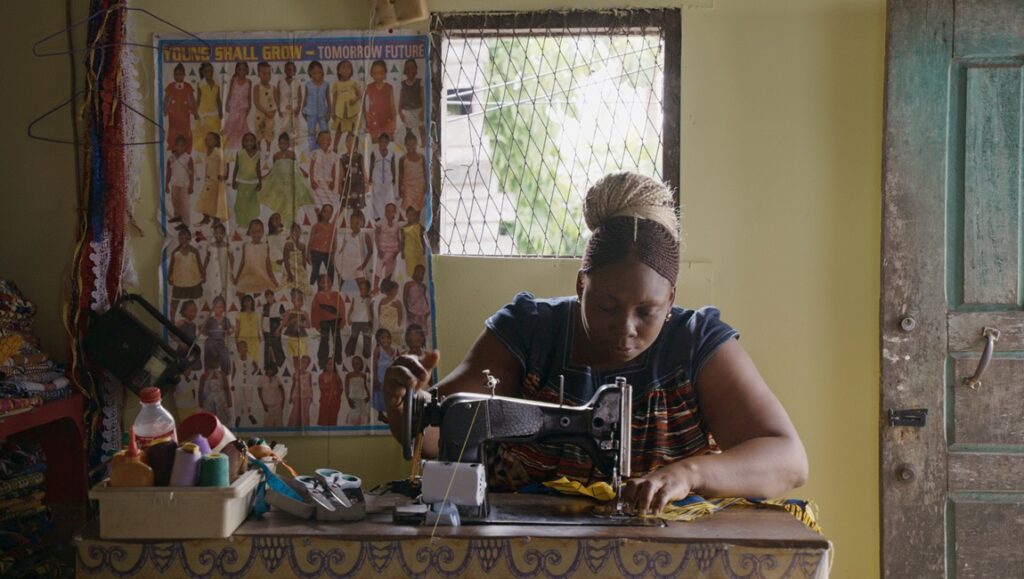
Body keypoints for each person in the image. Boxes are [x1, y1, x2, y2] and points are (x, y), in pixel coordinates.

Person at [383, 172, 808, 515]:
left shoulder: (696, 344)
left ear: (672, 300)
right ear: (580, 285)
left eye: (647, 311)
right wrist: (406, 410)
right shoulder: (528, 331)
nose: (626, 327)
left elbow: (788, 460)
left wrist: (688, 474)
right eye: (607, 306)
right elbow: (443, 434)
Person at [259, 132, 314, 227]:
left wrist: (303, 172)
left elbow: (295, 167)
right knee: (280, 202)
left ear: (288, 144)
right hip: (279, 184)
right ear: (278, 144)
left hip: (290, 184)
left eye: (284, 143)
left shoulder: (291, 154)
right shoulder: (276, 155)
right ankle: (282, 224)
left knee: (290, 203)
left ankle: (290, 224)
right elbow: (274, 169)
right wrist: (265, 176)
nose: (282, 145)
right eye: (280, 143)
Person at [167, 225, 204, 321]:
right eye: (181, 238)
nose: (184, 240)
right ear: (179, 239)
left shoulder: (194, 251)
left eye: (186, 238)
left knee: (196, 301)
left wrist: (203, 275)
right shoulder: (175, 252)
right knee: (175, 301)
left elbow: (200, 264)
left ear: (190, 239)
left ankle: (196, 322)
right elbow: (171, 266)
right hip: (179, 282)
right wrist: (169, 277)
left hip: (193, 282)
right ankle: (172, 321)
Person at [234, 218, 279, 296]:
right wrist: (237, 278)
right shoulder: (246, 245)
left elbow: (268, 266)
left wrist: (274, 280)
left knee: (260, 294)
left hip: (261, 277)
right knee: (239, 291)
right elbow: (242, 263)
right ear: (249, 232)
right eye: (254, 232)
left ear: (263, 232)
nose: (256, 234)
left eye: (259, 232)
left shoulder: (265, 246)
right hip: (247, 277)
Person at [311, 273, 344, 370]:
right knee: (324, 340)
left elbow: (341, 308)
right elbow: (314, 311)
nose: (326, 284)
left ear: (331, 283)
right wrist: (316, 324)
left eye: (328, 281)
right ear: (319, 284)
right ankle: (322, 360)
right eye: (323, 282)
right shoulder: (317, 296)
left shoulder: (336, 295)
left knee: (337, 339)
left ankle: (338, 357)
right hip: (323, 321)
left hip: (335, 320)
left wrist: (342, 321)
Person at [163, 63, 197, 152]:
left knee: (186, 131)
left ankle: (187, 148)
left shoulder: (187, 86)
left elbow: (191, 100)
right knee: (173, 130)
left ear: (184, 75)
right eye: (176, 74)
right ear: (174, 75)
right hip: (173, 114)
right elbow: (166, 100)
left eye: (181, 74)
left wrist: (195, 112)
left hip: (184, 114)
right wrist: (165, 110)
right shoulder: (170, 86)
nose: (178, 76)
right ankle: (172, 145)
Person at [195, 132, 227, 225]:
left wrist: (222, 173)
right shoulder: (207, 151)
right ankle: (206, 218)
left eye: (210, 139)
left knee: (215, 201)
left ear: (216, 141)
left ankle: (216, 220)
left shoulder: (218, 151)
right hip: (209, 180)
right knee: (205, 199)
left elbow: (224, 163)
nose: (207, 141)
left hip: (217, 180)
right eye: (206, 139)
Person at [232, 133, 263, 227]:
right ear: (243, 143)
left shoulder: (258, 154)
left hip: (253, 183)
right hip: (242, 183)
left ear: (255, 142)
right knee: (241, 204)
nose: (249, 142)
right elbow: (236, 167)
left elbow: (258, 169)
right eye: (246, 141)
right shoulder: (240, 153)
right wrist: (233, 181)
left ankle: (251, 222)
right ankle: (242, 223)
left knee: (252, 204)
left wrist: (260, 182)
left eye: (251, 140)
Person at [330, 59, 361, 152]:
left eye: (348, 68)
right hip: (340, 112)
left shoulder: (353, 83)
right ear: (338, 70)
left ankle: (351, 147)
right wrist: (332, 112)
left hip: (352, 112)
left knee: (351, 131)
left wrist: (355, 99)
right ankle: (335, 148)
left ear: (351, 71)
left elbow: (360, 95)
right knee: (338, 131)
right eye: (343, 68)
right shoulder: (336, 84)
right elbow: (334, 99)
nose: (346, 70)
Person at [363, 60, 395, 144]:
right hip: (373, 121)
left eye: (381, 74)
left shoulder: (389, 87)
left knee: (388, 142)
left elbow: (392, 105)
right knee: (375, 143)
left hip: (387, 121)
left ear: (385, 74)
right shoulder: (369, 87)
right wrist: (366, 116)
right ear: (371, 74)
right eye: (375, 73)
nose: (378, 76)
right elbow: (365, 104)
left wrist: (394, 121)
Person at [223, 61, 252, 151]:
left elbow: (249, 96)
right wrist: (226, 104)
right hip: (234, 107)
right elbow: (229, 93)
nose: (242, 71)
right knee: (231, 126)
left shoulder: (249, 82)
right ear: (236, 70)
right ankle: (229, 147)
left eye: (244, 69)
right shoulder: (233, 80)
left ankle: (240, 147)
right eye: (239, 69)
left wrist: (249, 107)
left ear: (247, 70)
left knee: (241, 127)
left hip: (243, 108)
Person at [165, 135, 194, 225]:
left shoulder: (188, 158)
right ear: (174, 146)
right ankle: (177, 217)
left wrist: (191, 186)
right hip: (174, 184)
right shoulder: (171, 158)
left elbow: (191, 173)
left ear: (186, 146)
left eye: (182, 145)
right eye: (178, 145)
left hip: (184, 185)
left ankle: (186, 223)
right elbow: (169, 172)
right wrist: (166, 184)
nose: (180, 147)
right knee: (175, 201)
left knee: (184, 203)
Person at [193, 62, 221, 153]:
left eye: (211, 71)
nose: (209, 73)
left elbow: (218, 99)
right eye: (206, 72)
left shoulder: (216, 84)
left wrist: (221, 111)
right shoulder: (200, 84)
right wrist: (195, 112)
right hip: (203, 113)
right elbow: (198, 99)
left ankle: (214, 153)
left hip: (214, 113)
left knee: (215, 134)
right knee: (204, 135)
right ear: (203, 73)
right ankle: (204, 154)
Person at [301, 61, 329, 151]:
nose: (317, 75)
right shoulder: (308, 85)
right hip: (310, 112)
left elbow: (328, 100)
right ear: (310, 74)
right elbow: (305, 98)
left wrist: (330, 112)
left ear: (322, 73)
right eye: (314, 73)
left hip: (322, 112)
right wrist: (303, 110)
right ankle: (313, 148)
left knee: (324, 129)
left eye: (319, 72)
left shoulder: (325, 85)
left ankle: (324, 147)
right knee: (311, 131)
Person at [368, 133, 397, 222]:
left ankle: (388, 216)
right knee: (377, 197)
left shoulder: (391, 153)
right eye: (381, 142)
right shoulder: (374, 153)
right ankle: (377, 217)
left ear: (388, 143)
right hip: (377, 178)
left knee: (388, 197)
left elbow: (393, 166)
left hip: (388, 179)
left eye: (385, 142)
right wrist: (369, 178)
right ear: (378, 142)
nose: (383, 144)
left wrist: (394, 178)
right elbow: (371, 166)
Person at [373, 202, 401, 291]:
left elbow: (399, 239)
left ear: (395, 212)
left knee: (389, 271)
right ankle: (375, 289)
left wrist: (397, 252)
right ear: (385, 212)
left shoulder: (397, 224)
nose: (389, 213)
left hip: (393, 251)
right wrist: (379, 250)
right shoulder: (380, 223)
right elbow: (376, 236)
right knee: (378, 271)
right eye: (387, 211)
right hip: (382, 250)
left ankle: (385, 289)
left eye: (391, 211)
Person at [232, 340, 259, 428]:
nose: (243, 348)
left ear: (247, 348)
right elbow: (234, 371)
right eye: (241, 347)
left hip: (248, 382)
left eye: (245, 346)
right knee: (238, 400)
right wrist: (232, 383)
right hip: (238, 382)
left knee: (249, 400)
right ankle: (238, 417)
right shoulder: (235, 360)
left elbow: (256, 368)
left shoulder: (251, 358)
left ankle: (250, 414)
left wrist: (251, 374)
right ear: (238, 349)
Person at [398, 131, 426, 213]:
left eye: (413, 144)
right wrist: (399, 190)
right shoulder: (403, 159)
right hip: (408, 187)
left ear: (416, 144)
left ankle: (417, 225)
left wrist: (426, 186)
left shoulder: (422, 157)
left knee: (418, 208)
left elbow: (425, 173)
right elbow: (400, 175)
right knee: (409, 209)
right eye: (408, 145)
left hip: (420, 186)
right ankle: (410, 225)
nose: (411, 147)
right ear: (405, 145)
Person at [252, 62, 278, 153]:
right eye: (264, 74)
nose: (267, 76)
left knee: (269, 130)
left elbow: (276, 102)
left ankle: (268, 148)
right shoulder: (257, 87)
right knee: (258, 130)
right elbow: (256, 102)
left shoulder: (273, 88)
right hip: (260, 113)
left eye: (269, 74)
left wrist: (273, 112)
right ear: (259, 74)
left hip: (270, 114)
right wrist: (265, 112)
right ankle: (258, 146)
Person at [308, 130, 338, 209]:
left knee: (331, 202)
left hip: (328, 182)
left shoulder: (333, 155)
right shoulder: (315, 153)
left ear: (330, 141)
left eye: (328, 139)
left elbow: (333, 170)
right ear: (318, 141)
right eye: (323, 139)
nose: (325, 141)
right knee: (318, 203)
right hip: (318, 182)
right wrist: (312, 181)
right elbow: (311, 168)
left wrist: (333, 182)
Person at [398, 59, 425, 142]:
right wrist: (400, 112)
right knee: (407, 129)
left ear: (416, 70)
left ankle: (423, 143)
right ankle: (409, 143)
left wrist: (423, 110)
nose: (410, 71)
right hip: (406, 111)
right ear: (405, 71)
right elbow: (400, 100)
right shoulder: (402, 84)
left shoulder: (420, 82)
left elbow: (422, 98)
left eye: (413, 68)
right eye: (408, 68)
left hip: (418, 110)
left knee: (422, 129)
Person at [274, 61, 302, 142]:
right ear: (285, 71)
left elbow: (300, 96)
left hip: (294, 109)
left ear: (295, 70)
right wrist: (278, 109)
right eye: (288, 69)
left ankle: (295, 143)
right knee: (283, 127)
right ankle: (283, 143)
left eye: (292, 69)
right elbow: (277, 96)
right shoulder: (281, 82)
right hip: (284, 109)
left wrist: (299, 107)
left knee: (295, 127)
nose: (290, 71)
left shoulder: (297, 82)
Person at [339, 132, 366, 210]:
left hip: (359, 184)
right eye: (349, 141)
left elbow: (363, 170)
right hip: (347, 184)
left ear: (357, 144)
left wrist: (366, 183)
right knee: (347, 205)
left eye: (354, 142)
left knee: (357, 205)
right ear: (346, 143)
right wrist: (340, 186)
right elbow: (341, 173)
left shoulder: (359, 156)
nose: (351, 143)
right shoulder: (342, 158)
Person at [282, 223, 309, 294]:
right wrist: (289, 274)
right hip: (290, 270)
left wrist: (305, 273)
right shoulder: (287, 245)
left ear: (300, 232)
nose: (295, 233)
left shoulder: (303, 246)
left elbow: (304, 261)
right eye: (293, 231)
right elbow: (286, 261)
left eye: (297, 231)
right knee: (289, 289)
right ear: (291, 233)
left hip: (300, 271)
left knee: (303, 290)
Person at [235, 293, 261, 367]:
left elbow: (257, 327)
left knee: (255, 362)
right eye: (245, 301)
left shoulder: (255, 314)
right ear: (243, 303)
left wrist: (259, 336)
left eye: (249, 300)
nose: (247, 302)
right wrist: (236, 341)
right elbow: (237, 328)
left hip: (254, 341)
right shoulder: (239, 314)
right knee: (244, 362)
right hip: (243, 341)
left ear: (252, 302)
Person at [288, 354, 314, 427]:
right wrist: (290, 396)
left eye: (306, 362)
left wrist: (311, 396)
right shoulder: (295, 374)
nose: (304, 364)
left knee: (305, 413)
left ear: (308, 365)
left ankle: (304, 427)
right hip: (297, 395)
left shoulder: (309, 374)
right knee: (295, 412)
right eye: (302, 361)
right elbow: (293, 385)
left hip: (307, 396)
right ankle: (293, 426)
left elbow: (310, 385)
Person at [399, 206, 426, 279]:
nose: (412, 217)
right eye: (410, 215)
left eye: (413, 215)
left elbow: (422, 238)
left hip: (419, 250)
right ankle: (412, 283)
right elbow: (402, 241)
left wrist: (424, 249)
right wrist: (402, 253)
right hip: (409, 252)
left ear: (416, 216)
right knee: (412, 269)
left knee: (420, 268)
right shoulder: (403, 228)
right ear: (406, 216)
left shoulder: (419, 226)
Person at [345, 356, 370, 426]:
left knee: (363, 414)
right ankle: (351, 430)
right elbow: (346, 388)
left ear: (361, 364)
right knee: (353, 415)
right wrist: (348, 399)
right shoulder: (349, 375)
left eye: (358, 363)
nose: (356, 365)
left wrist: (368, 395)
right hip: (353, 397)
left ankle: (362, 431)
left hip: (362, 398)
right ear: (352, 365)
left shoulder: (363, 375)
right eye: (354, 363)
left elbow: (365, 386)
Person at [259, 362, 286, 427]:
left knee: (279, 423)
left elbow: (282, 391)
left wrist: (282, 403)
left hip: (277, 405)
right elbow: (259, 393)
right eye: (269, 369)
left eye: (272, 369)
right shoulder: (261, 380)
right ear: (266, 370)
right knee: (268, 424)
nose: (270, 371)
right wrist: (263, 405)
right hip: (268, 406)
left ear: (274, 370)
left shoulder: (277, 379)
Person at [317, 357, 342, 426]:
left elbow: (341, 388)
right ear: (325, 365)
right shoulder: (321, 376)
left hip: (335, 401)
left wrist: (337, 396)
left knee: (333, 418)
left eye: (331, 364)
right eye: (328, 364)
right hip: (324, 401)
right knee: (323, 419)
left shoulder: (336, 376)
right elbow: (321, 388)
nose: (330, 366)